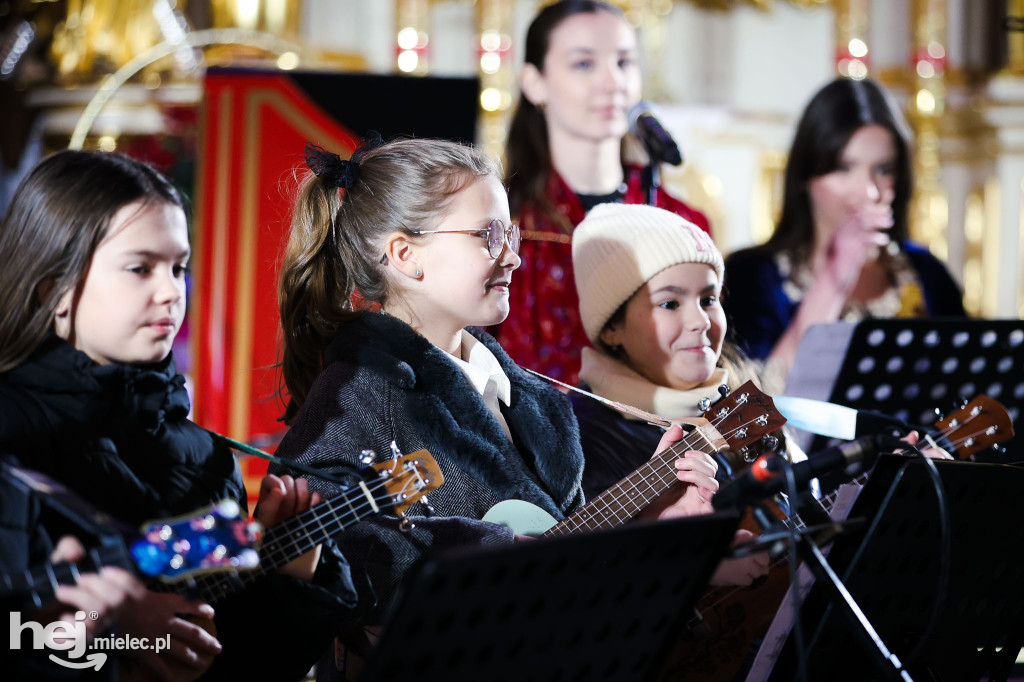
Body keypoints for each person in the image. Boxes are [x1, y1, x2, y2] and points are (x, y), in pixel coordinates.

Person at [272, 135, 722, 677]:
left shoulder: (535, 401)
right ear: (404, 255)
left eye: (509, 232)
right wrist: (488, 552)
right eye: (487, 235)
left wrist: (647, 533)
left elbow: (565, 574)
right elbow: (321, 552)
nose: (513, 254)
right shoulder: (354, 396)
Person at [0, 149, 358, 682]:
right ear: (54, 288)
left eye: (177, 267)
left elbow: (235, 662)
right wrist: (119, 634)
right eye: (139, 268)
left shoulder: (208, 458)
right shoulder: (12, 440)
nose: (171, 292)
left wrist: (290, 577)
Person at [496, 0, 711, 384]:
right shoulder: (506, 224)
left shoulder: (682, 222)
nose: (612, 82)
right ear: (534, 82)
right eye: (584, 64)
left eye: (624, 62)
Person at [570, 202, 771, 585]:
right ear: (612, 328)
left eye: (709, 299)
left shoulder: (742, 401)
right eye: (669, 303)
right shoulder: (579, 437)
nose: (699, 321)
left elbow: (807, 510)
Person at [723, 77, 965, 382]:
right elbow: (757, 400)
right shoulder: (751, 274)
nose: (869, 192)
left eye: (884, 170)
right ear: (806, 175)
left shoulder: (927, 273)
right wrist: (836, 274)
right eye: (844, 168)